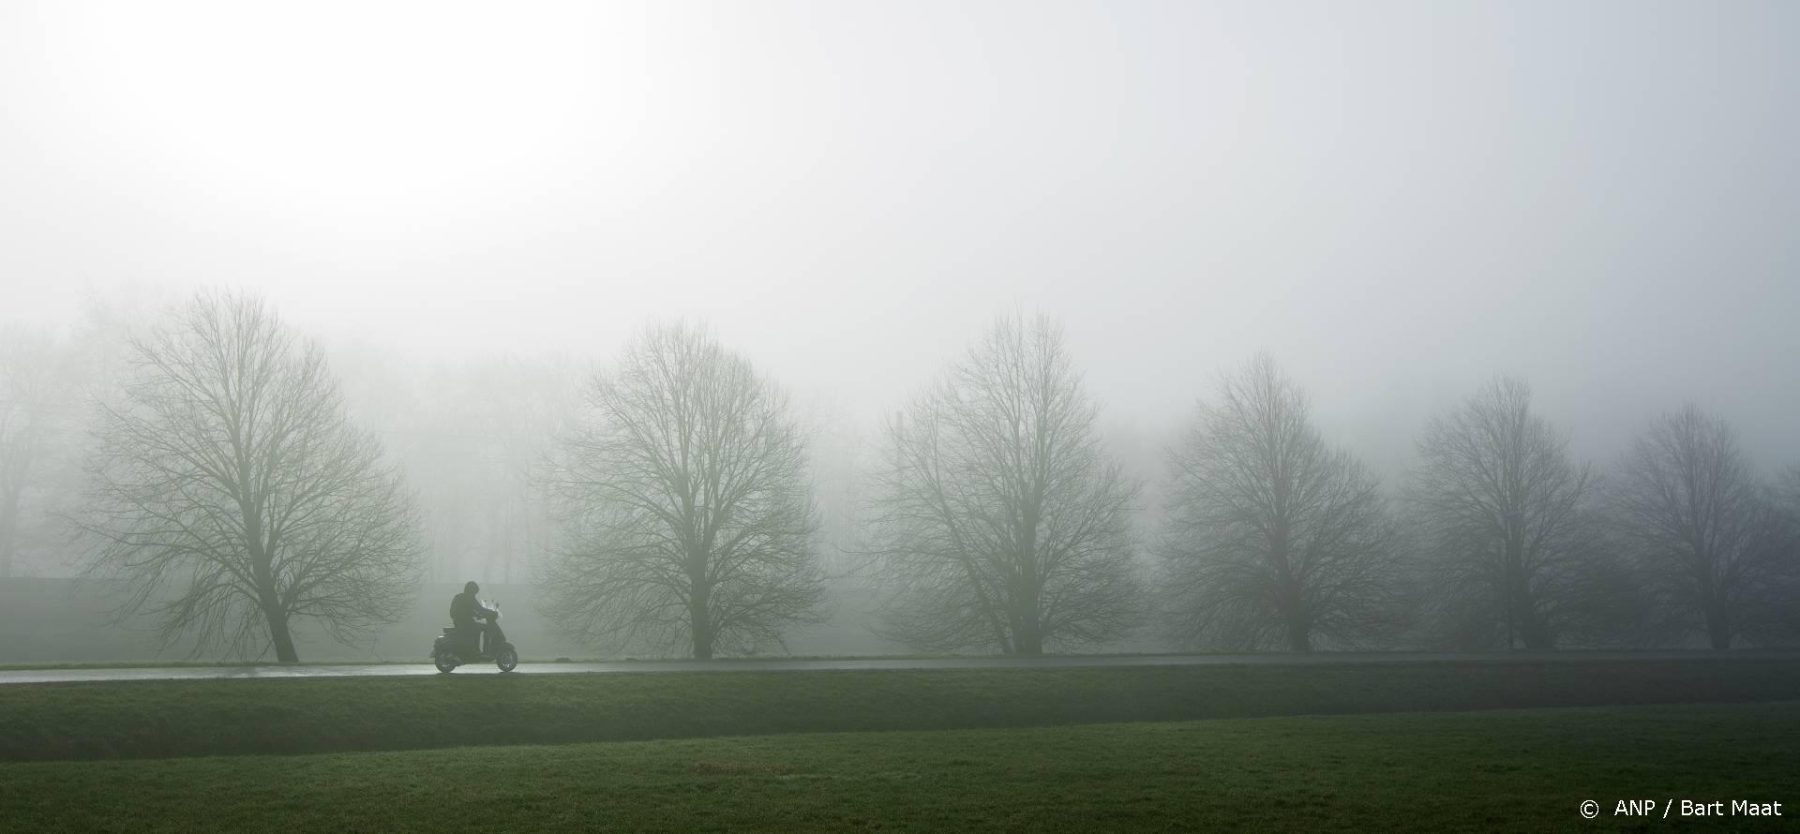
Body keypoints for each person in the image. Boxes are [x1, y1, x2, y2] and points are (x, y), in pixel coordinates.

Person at [449, 581, 496, 657]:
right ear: (471, 590)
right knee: (486, 628)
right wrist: (492, 613)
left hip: (459, 623)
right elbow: (479, 609)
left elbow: (468, 610)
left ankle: (475, 649)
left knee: (476, 627)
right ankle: (484, 651)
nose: (475, 595)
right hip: (465, 624)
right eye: (474, 592)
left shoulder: (460, 597)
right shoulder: (469, 598)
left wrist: (476, 614)